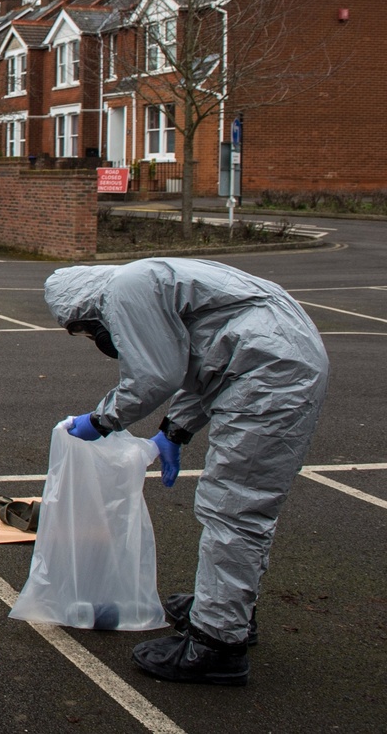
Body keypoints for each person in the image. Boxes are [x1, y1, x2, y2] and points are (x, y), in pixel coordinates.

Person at [44, 258, 328, 686]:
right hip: (268, 365)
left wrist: (102, 420)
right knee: (238, 508)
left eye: (85, 330)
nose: (93, 338)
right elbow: (204, 362)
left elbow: (155, 374)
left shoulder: (125, 288)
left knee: (234, 508)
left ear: (85, 308)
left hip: (270, 376)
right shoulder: (149, 280)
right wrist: (175, 430)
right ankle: (225, 606)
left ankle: (217, 644)